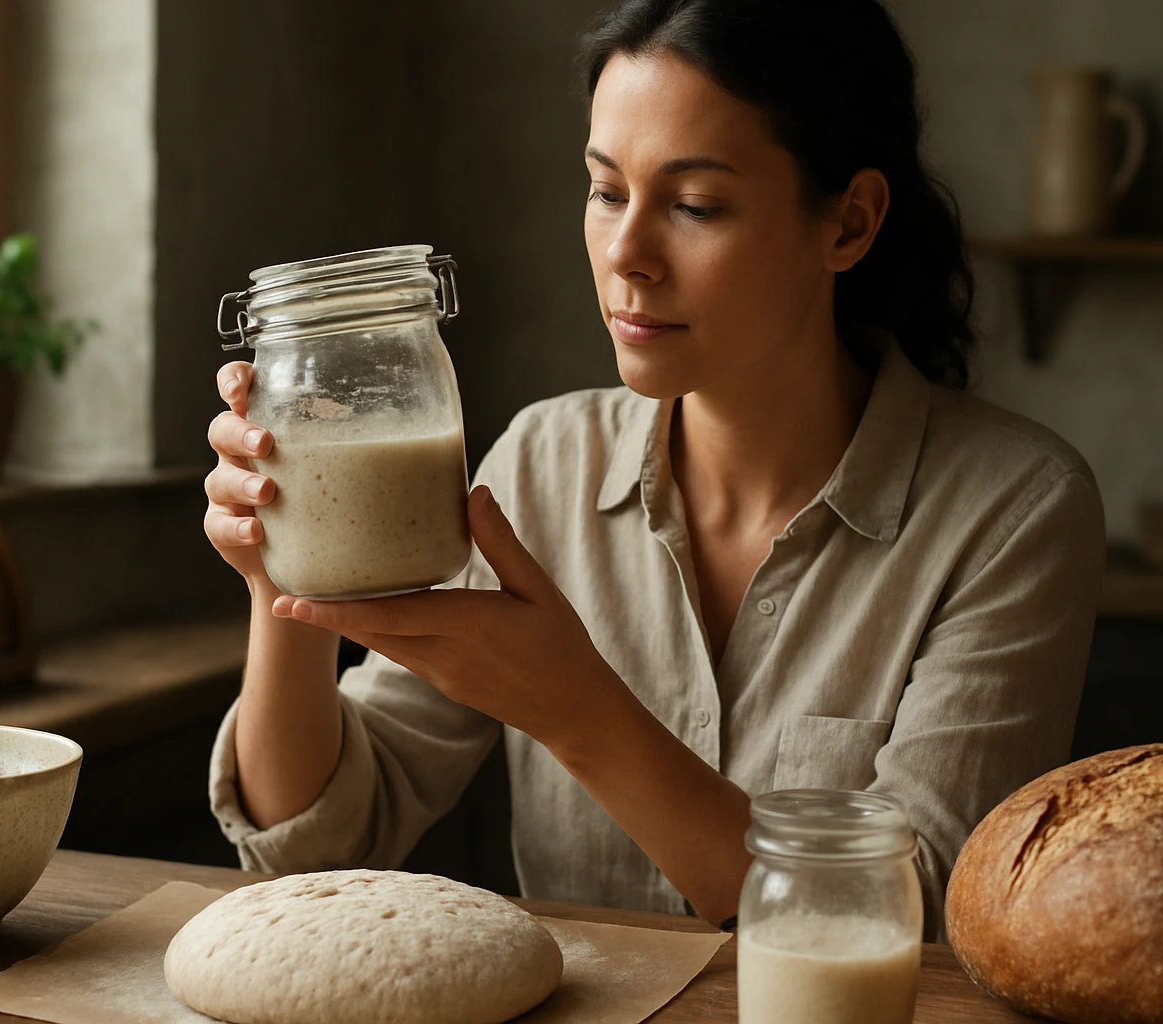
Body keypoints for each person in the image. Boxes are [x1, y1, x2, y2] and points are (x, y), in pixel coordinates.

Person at [201, 0, 1104, 942]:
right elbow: (313, 847)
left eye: (694, 206)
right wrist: (285, 578)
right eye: (605, 191)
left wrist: (577, 712)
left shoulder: (1016, 510)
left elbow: (906, 914)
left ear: (849, 222)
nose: (627, 255)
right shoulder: (539, 466)